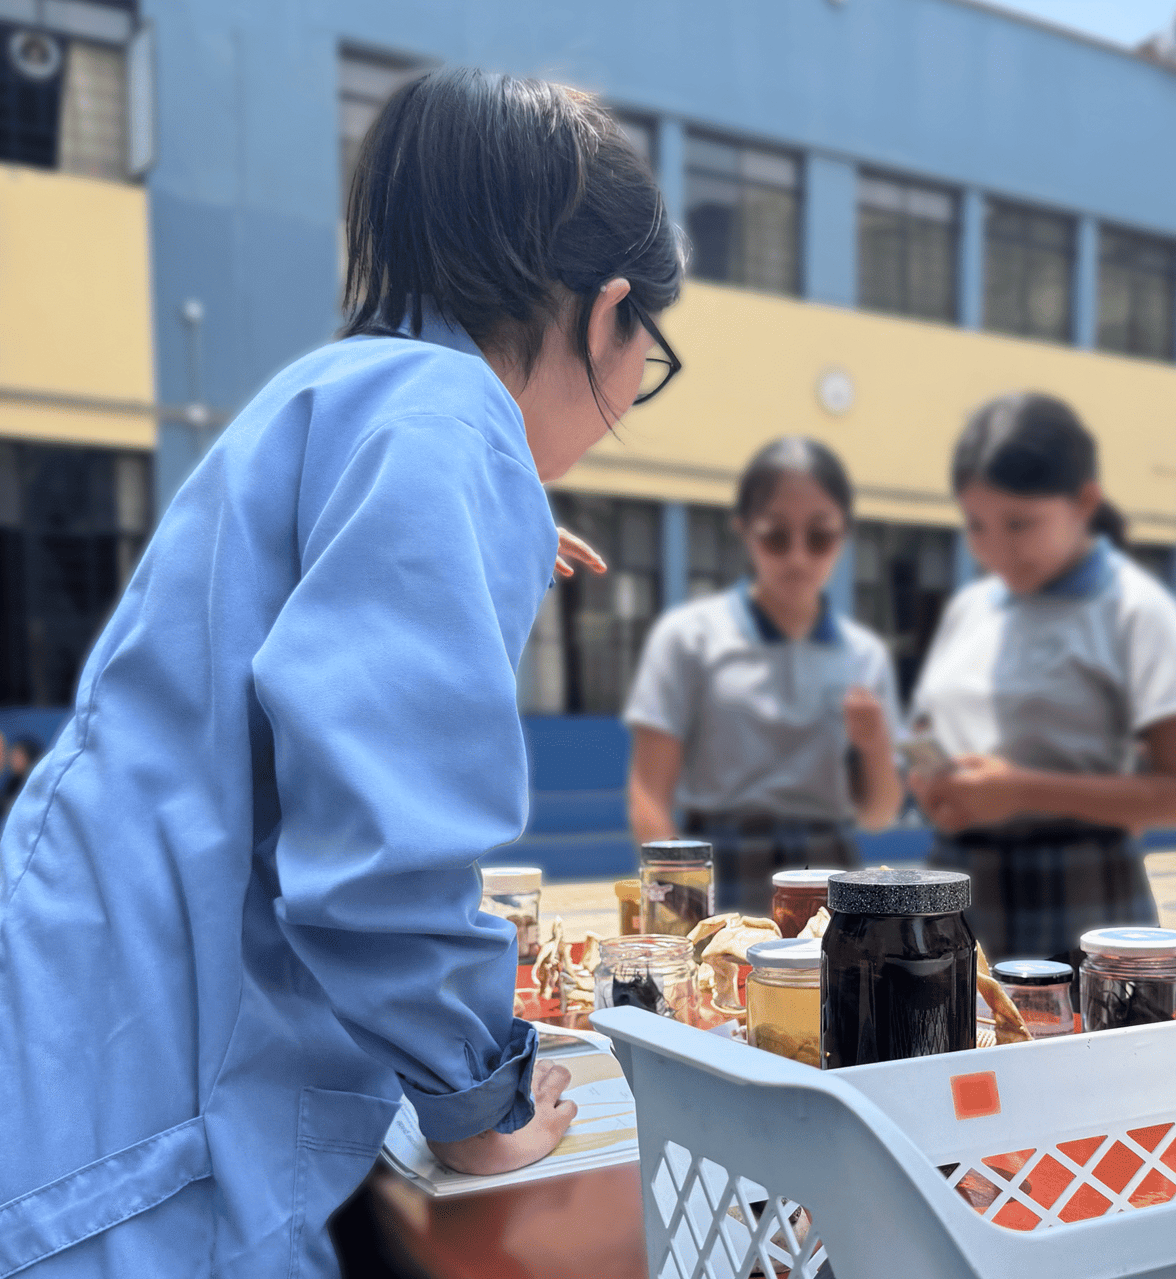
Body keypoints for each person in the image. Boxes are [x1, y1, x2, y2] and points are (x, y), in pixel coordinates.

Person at [0, 70, 683, 1278]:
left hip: (86, 1041)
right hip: (153, 1134)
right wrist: (479, 1098)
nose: (633, 395)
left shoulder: (335, 393)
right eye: (651, 360)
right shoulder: (448, 423)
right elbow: (381, 847)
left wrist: (490, 518)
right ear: (609, 315)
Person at [907, 392, 1176, 962]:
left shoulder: (1134, 611)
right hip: (957, 888)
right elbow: (928, 730)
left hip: (1081, 894)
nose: (996, 549)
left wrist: (1022, 791)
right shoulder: (971, 610)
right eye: (977, 525)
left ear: (1084, 503)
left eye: (1019, 524)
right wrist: (933, 783)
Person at [625, 437, 903, 918]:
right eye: (775, 536)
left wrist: (875, 745)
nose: (797, 557)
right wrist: (679, 902)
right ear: (744, 530)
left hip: (831, 870)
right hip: (719, 865)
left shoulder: (864, 656)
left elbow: (878, 814)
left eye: (820, 537)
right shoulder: (690, 637)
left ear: (844, 535)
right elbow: (648, 791)